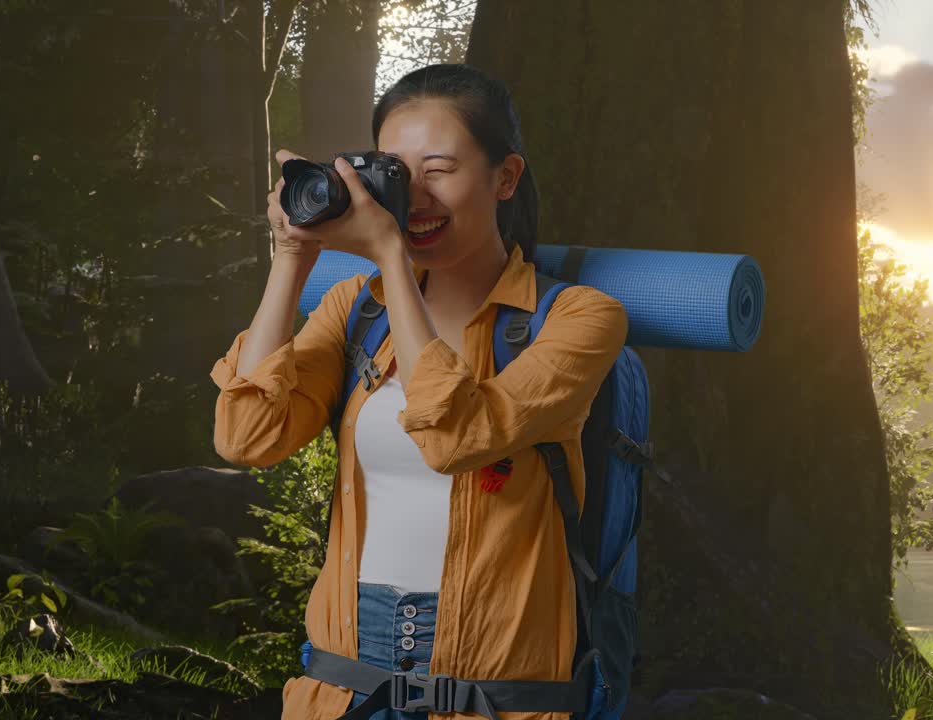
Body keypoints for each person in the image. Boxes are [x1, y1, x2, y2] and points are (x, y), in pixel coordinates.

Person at [209, 63, 628, 720]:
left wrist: (391, 261)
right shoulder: (356, 310)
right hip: (341, 685)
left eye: (439, 170)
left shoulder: (579, 318)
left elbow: (457, 437)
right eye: (395, 174)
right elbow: (247, 438)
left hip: (497, 695)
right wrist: (291, 259)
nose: (414, 199)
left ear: (505, 178)